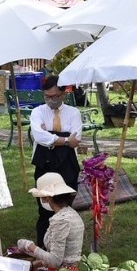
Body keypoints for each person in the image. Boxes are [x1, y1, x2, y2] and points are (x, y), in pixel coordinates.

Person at [29, 76, 83, 244]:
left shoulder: (73, 113)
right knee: (45, 207)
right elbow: (39, 136)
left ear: (63, 94)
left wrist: (50, 136)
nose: (50, 100)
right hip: (44, 163)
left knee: (65, 208)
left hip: (68, 164)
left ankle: (65, 245)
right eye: (47, 96)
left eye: (54, 96)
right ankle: (43, 246)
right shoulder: (38, 112)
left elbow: (76, 138)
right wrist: (65, 139)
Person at [15, 172, 84, 270]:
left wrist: (30, 246)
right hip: (71, 268)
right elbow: (64, 254)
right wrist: (39, 264)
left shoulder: (61, 221)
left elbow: (55, 261)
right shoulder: (71, 213)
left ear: (48, 197)